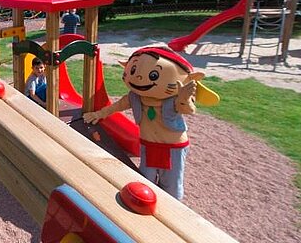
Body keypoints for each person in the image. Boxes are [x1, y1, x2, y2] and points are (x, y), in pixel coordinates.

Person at [83, 47, 218, 200]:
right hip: (148, 144)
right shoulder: (135, 97)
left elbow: (188, 109)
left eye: (154, 75)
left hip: (172, 147)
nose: (139, 78)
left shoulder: (174, 99)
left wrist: (184, 98)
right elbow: (117, 106)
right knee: (146, 179)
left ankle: (173, 209)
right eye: (132, 70)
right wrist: (98, 114)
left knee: (171, 183)